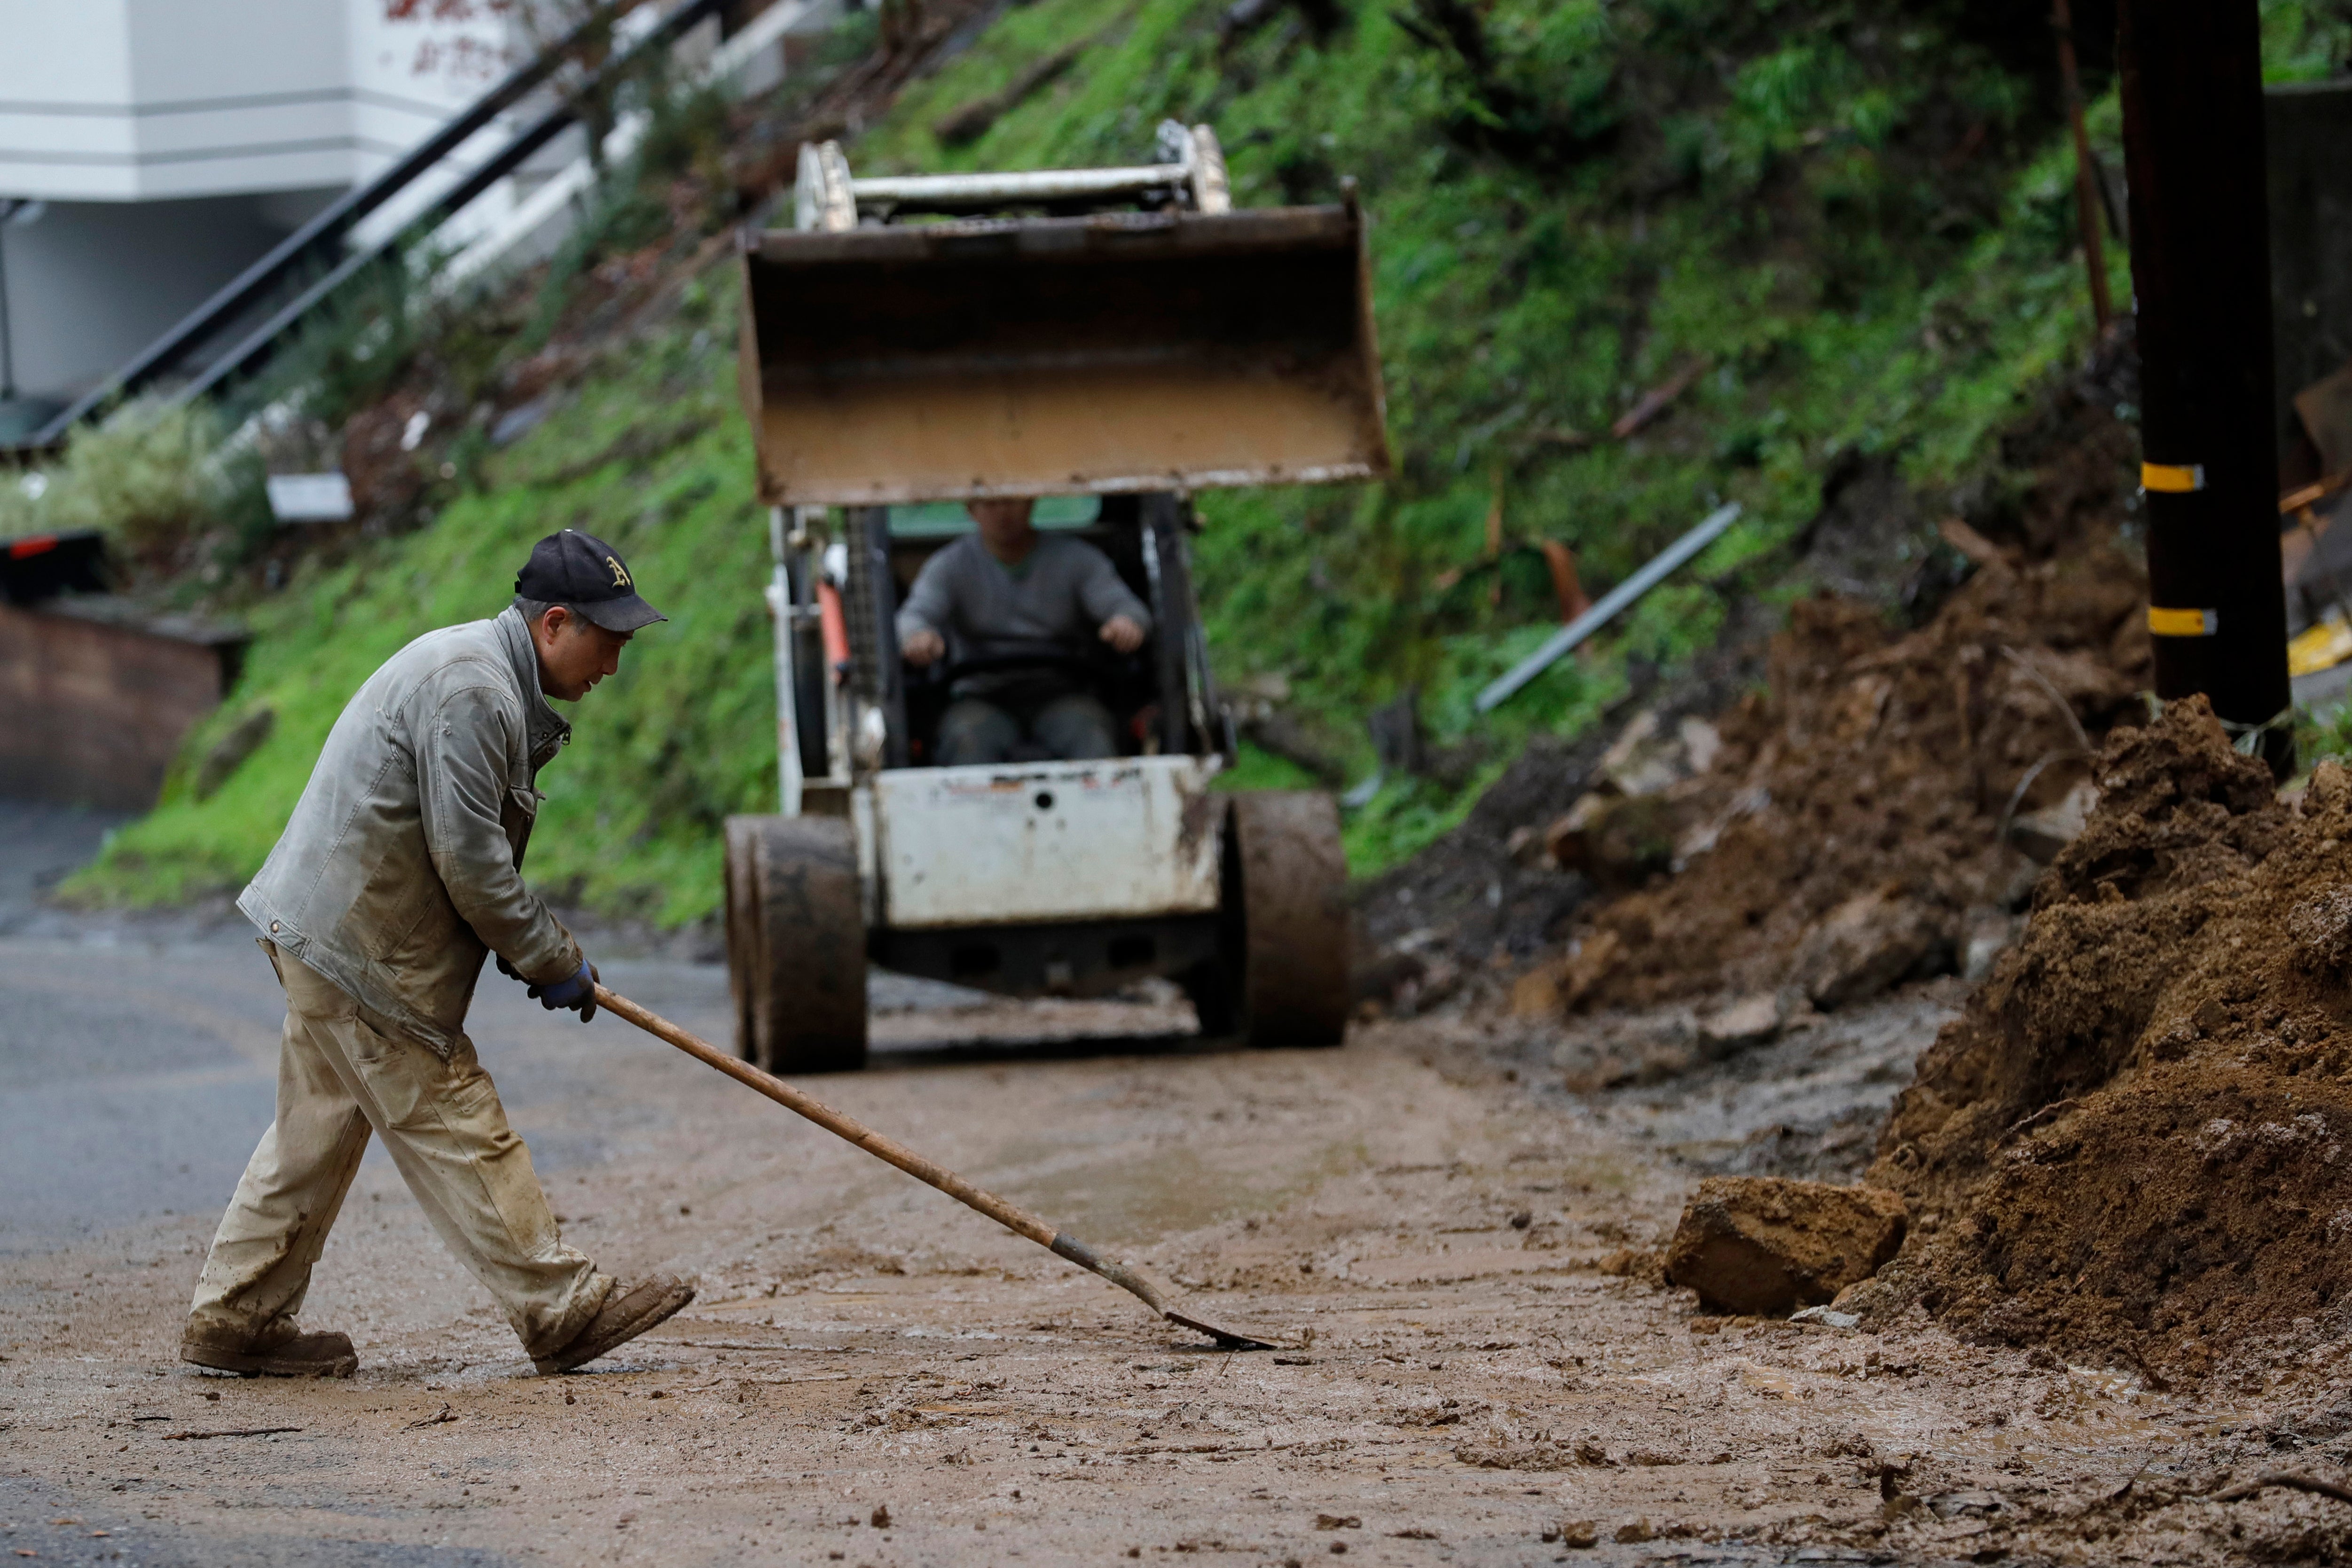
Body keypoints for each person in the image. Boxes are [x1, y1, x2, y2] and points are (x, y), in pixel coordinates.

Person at [181, 529, 695, 1380]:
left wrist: (533, 951)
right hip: (359, 949)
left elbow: (465, 856)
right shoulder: (473, 690)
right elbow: (472, 863)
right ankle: (556, 1305)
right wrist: (547, 954)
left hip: (328, 932)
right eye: (608, 642)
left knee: (314, 1132)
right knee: (453, 1110)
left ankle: (236, 1315)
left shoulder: (478, 674)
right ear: (555, 624)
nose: (613, 665)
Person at [896, 496, 1152, 766]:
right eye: (990, 503)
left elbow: (1125, 606)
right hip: (981, 695)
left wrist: (1125, 622)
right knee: (965, 737)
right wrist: (918, 635)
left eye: (1012, 501)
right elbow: (915, 615)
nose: (1003, 511)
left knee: (1092, 732)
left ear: (1030, 503)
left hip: (1061, 692)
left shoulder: (1076, 558)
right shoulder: (949, 565)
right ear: (971, 510)